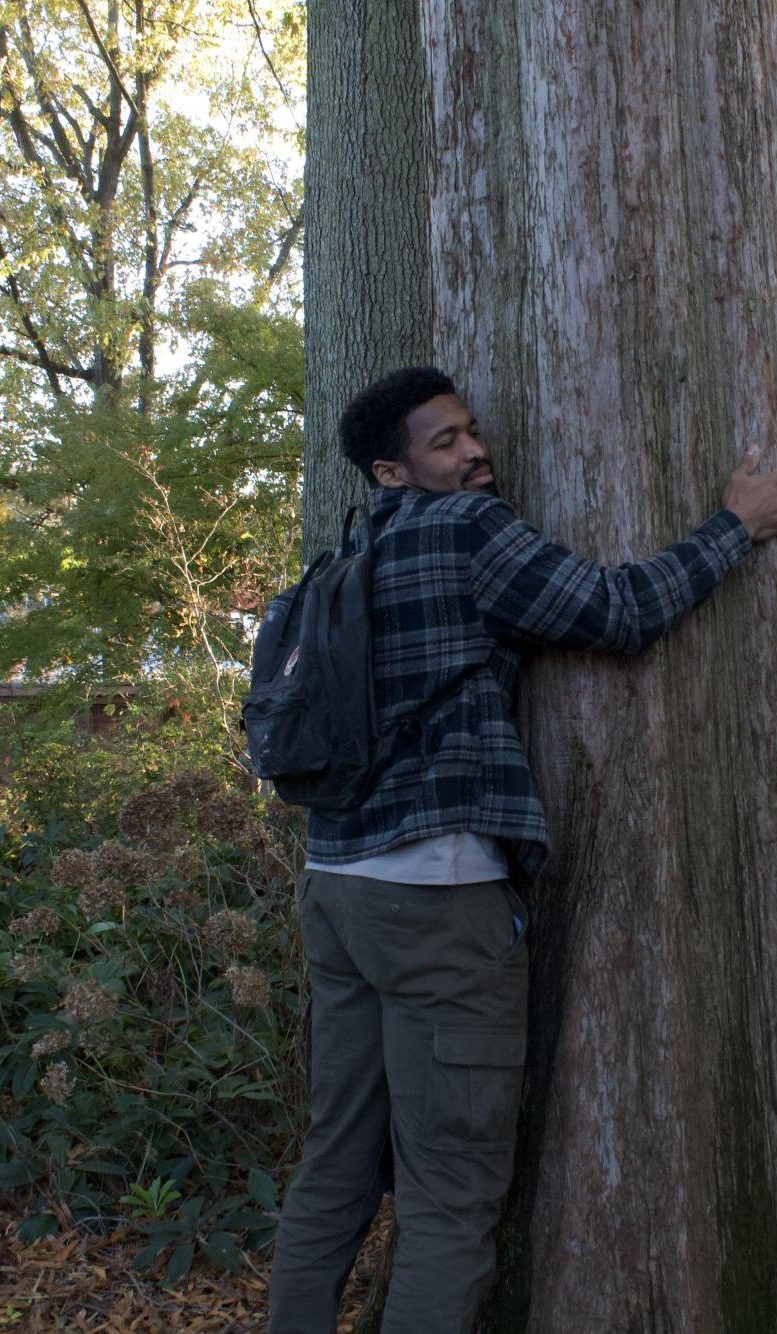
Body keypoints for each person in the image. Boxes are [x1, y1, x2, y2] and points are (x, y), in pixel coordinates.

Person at [268, 366, 777, 1334]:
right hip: (437, 905)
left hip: (336, 890)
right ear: (391, 469)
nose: (474, 452)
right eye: (445, 442)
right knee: (451, 1200)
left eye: (472, 433)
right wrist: (736, 525)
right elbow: (619, 611)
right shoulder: (466, 531)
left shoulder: (342, 558)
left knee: (336, 1163)